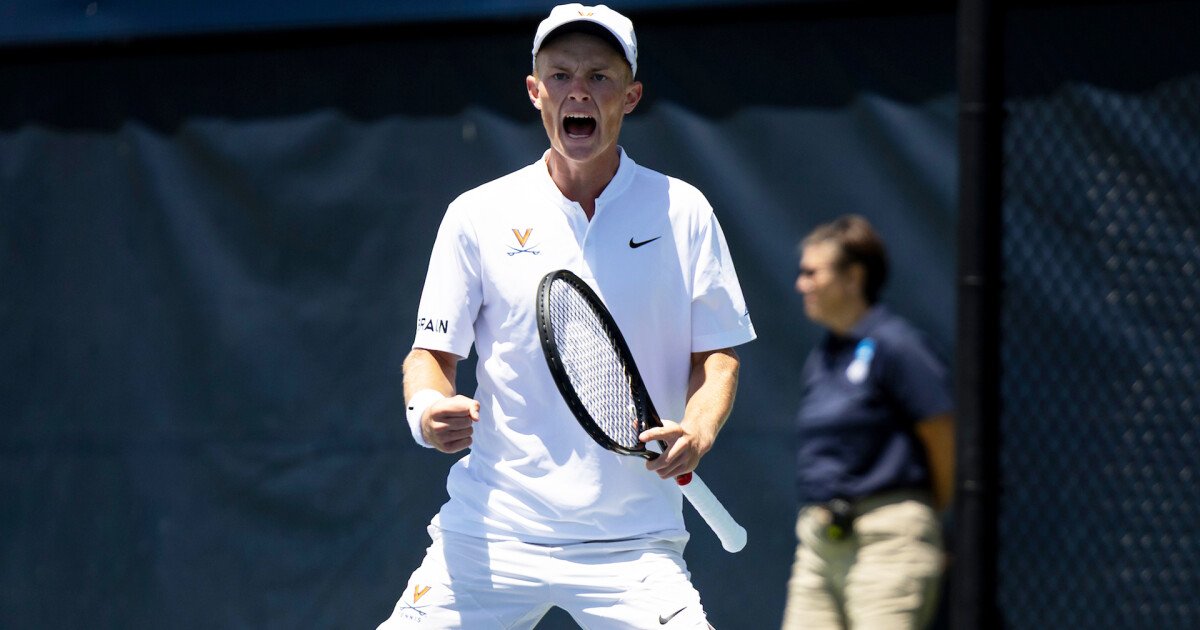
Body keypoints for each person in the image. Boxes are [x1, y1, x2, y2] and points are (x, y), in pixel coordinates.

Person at [377, 4, 757, 628]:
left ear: (630, 97)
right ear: (535, 91)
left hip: (634, 545)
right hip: (489, 536)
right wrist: (425, 410)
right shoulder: (476, 213)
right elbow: (431, 355)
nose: (578, 91)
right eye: (560, 75)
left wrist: (698, 431)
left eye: (599, 77)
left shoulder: (684, 210)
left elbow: (716, 357)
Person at [780, 215, 955, 630]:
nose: (801, 285)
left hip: (889, 542)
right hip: (819, 542)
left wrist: (922, 517)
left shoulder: (898, 346)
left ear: (853, 277)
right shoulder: (824, 356)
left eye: (812, 273)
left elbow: (942, 436)